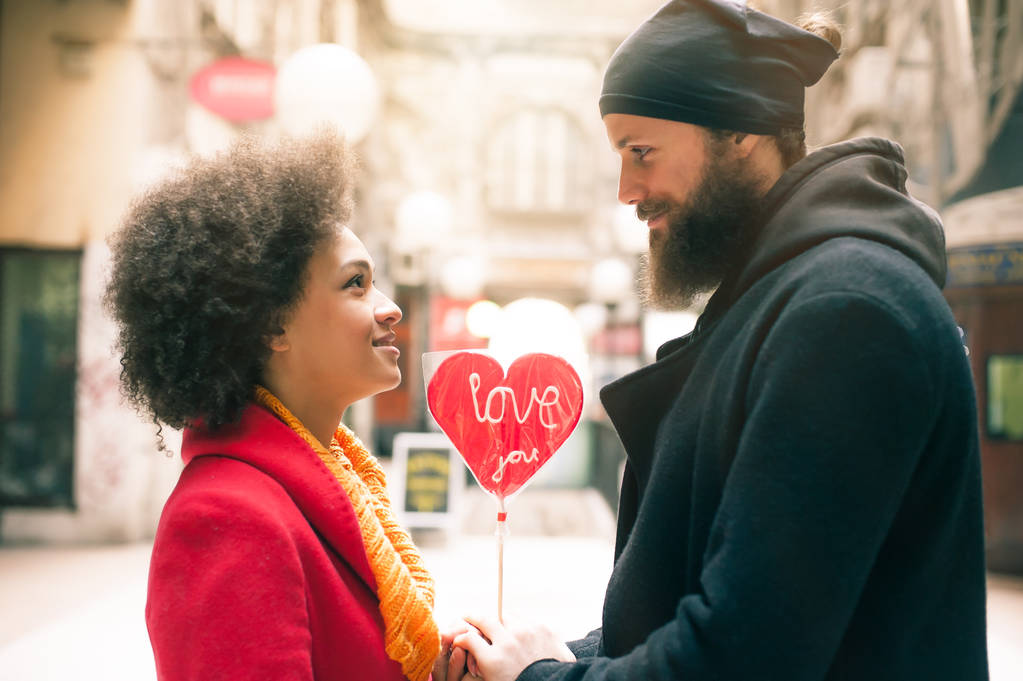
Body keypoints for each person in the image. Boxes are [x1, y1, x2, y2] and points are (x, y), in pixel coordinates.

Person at [452, 1, 989, 680]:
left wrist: (542, 677)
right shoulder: (782, 299)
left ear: (740, 132)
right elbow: (699, 603)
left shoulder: (846, 309)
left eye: (641, 152)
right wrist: (545, 656)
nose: (626, 190)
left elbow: (741, 656)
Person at [106, 132, 464, 681]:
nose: (390, 308)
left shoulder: (326, 488)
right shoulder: (226, 518)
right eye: (356, 284)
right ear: (273, 325)